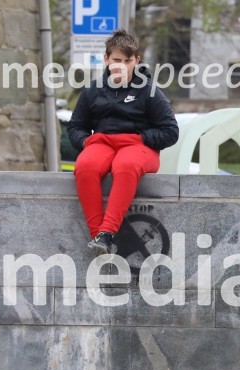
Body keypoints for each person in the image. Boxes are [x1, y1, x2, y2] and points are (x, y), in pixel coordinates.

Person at [68, 29, 179, 256]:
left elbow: (170, 131)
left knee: (126, 166)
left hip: (139, 146)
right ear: (107, 59)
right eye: (116, 60)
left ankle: (108, 232)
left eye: (127, 61)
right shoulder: (92, 90)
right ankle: (98, 236)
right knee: (85, 167)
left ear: (136, 61)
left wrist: (140, 138)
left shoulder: (150, 91)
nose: (121, 66)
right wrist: (86, 142)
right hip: (102, 144)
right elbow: (75, 127)